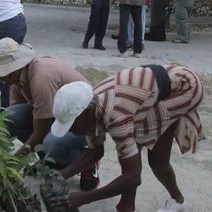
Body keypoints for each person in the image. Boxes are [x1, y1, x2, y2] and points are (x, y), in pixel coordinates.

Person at [49, 65, 204, 212]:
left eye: (72, 124)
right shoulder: (89, 105)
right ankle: (127, 205)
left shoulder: (116, 117)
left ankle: (176, 201)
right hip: (156, 85)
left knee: (157, 161)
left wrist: (85, 198)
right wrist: (59, 177)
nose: (72, 130)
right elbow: (95, 153)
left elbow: (133, 177)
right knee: (131, 149)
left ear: (86, 113)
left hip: (184, 87)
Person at [0, 38, 100, 191]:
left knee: (53, 143)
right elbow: (17, 117)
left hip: (84, 124)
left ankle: (87, 161)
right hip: (58, 119)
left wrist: (13, 164)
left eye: (1, 72)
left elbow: (41, 131)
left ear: (13, 67)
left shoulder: (41, 78)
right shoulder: (18, 79)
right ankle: (50, 161)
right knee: (11, 117)